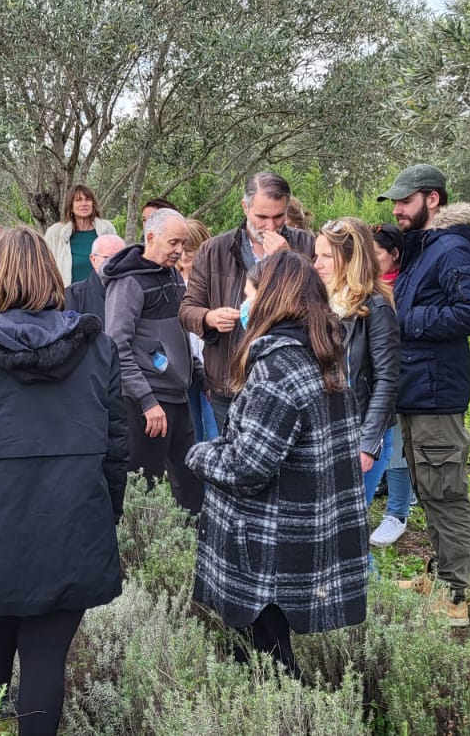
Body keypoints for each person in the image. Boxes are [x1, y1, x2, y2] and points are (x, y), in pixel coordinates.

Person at [0, 226, 126, 736]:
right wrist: (106, 514)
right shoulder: (97, 347)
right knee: (44, 662)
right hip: (73, 521)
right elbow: (116, 449)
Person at [186, 251, 369, 679]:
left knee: (270, 661)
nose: (244, 302)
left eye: (249, 293)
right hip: (302, 526)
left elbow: (248, 467)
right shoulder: (323, 352)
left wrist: (200, 452)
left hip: (267, 539)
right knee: (268, 647)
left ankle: (295, 720)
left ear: (270, 298)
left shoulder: (278, 368)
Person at [376, 164, 470, 626]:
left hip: (436, 394)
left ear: (433, 199)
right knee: (429, 488)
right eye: (396, 203)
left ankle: (454, 597)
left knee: (445, 493)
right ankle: (440, 574)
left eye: (405, 201)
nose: (398, 210)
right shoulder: (423, 247)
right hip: (415, 391)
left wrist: (405, 324)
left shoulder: (450, 247)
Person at [179, 172, 317, 435]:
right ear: (245, 207)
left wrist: (288, 260)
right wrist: (209, 317)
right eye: (262, 217)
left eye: (278, 217)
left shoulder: (306, 245)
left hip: (289, 381)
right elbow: (187, 309)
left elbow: (318, 307)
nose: (271, 226)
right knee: (234, 464)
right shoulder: (214, 250)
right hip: (230, 381)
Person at [102, 209, 205, 513]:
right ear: (150, 237)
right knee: (144, 488)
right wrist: (147, 401)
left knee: (190, 485)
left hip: (178, 397)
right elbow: (117, 346)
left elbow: (180, 335)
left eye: (184, 244)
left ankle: (194, 553)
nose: (180, 251)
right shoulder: (129, 282)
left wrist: (201, 378)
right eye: (174, 242)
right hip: (145, 404)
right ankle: (139, 558)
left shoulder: (172, 275)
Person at [313, 218, 399, 542]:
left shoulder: (375, 307)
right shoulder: (320, 302)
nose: (316, 264)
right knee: (330, 525)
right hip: (326, 429)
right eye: (315, 255)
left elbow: (387, 380)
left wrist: (368, 443)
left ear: (350, 259)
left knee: (346, 528)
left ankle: (369, 592)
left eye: (325, 257)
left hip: (362, 431)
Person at [367, 223, 418, 547]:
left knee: (397, 446)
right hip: (370, 377)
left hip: (400, 375)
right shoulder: (368, 284)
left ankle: (397, 512)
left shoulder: (403, 285)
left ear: (394, 255)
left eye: (377, 255)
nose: (371, 262)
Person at [179, 218, 218, 443]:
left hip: (209, 363)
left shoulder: (214, 279)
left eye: (191, 249)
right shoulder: (173, 279)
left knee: (214, 430)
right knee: (191, 431)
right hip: (184, 366)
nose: (185, 255)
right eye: (181, 248)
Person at [45, 184, 120, 286]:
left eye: (88, 199)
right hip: (68, 297)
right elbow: (45, 268)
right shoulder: (55, 233)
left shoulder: (107, 229)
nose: (84, 203)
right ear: (70, 206)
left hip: (102, 296)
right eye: (78, 200)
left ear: (93, 204)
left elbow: (118, 264)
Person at [63, 234, 126, 320]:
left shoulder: (135, 292)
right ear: (94, 260)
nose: (117, 263)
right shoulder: (73, 295)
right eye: (109, 258)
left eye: (122, 258)